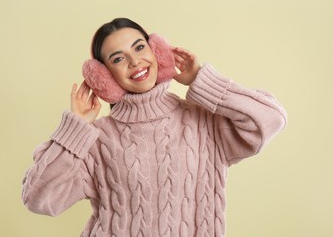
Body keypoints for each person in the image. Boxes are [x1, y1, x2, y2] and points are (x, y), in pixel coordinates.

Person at [22, 18, 287, 237]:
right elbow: (38, 198)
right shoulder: (96, 140)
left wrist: (201, 80)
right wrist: (76, 128)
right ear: (104, 77)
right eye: (117, 59)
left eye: (139, 48)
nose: (135, 62)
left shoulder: (203, 122)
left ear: (157, 51)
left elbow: (271, 118)